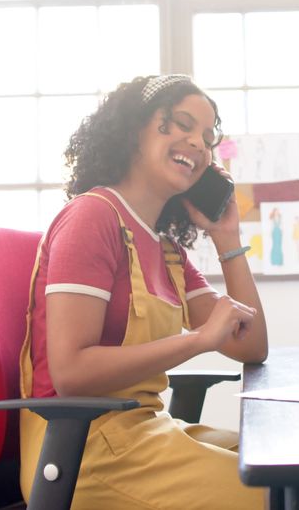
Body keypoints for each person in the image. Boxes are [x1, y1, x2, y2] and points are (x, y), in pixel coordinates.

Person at [19, 75, 268, 508]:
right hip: (83, 449)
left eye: (207, 138)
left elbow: (252, 345)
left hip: (147, 431)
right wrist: (195, 341)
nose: (197, 143)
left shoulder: (165, 248)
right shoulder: (92, 217)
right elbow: (71, 372)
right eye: (181, 124)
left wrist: (227, 238)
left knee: (293, 469)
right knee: (275, 495)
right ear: (135, 128)